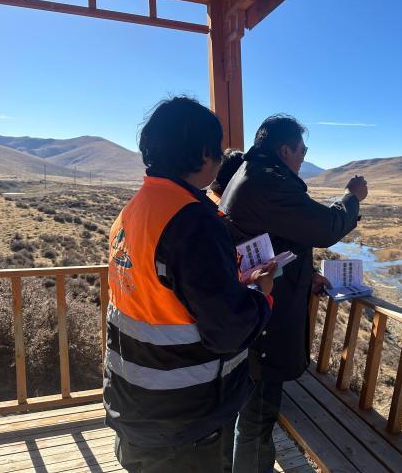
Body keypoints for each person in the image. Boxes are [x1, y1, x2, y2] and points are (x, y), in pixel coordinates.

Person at [104, 97, 276, 473]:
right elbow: (228, 329)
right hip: (185, 418)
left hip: (134, 401)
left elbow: (165, 296)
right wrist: (259, 295)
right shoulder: (194, 221)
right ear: (203, 154)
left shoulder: (133, 210)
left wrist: (230, 283)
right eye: (217, 150)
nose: (220, 159)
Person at [220, 114, 368, 472]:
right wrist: (351, 197)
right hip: (262, 327)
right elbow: (324, 227)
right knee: (257, 419)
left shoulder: (250, 173)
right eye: (302, 150)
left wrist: (306, 276)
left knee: (245, 414)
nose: (304, 157)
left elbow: (277, 240)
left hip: (249, 316)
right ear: (285, 150)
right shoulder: (268, 182)